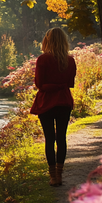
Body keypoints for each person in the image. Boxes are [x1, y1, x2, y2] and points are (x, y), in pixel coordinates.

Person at [30, 28, 77, 186]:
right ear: (64, 41)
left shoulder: (43, 59)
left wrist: (51, 86)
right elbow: (70, 84)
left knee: (49, 138)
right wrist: (60, 84)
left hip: (47, 102)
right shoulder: (70, 60)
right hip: (64, 101)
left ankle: (53, 177)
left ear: (48, 40)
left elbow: (39, 84)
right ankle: (59, 174)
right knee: (61, 138)